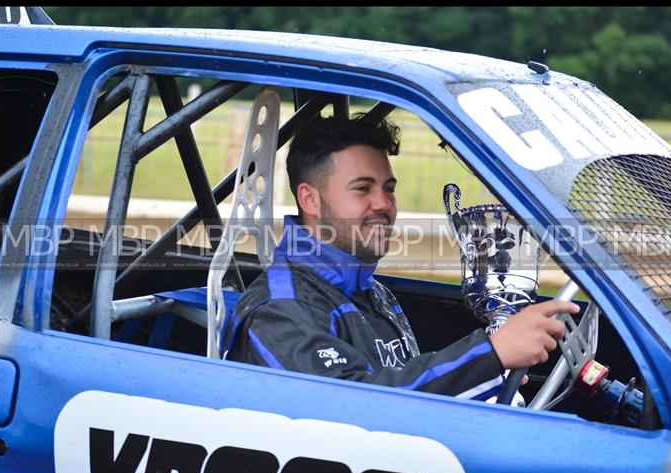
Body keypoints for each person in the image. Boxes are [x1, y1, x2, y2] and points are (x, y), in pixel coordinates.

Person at [223, 114, 579, 400]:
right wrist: (489, 355)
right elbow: (351, 408)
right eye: (362, 189)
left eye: (388, 189)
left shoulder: (373, 290)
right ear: (310, 200)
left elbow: (403, 396)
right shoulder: (280, 308)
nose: (383, 204)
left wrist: (482, 383)